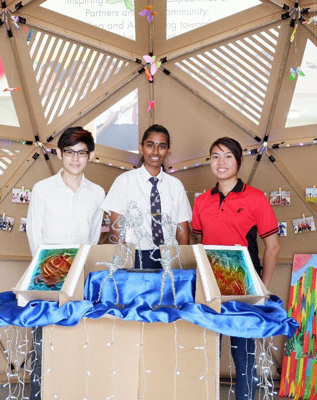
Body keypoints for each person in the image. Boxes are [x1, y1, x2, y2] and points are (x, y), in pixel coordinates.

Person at [191, 137, 280, 400]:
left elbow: (273, 246)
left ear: (238, 161)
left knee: (243, 359)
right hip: (209, 285)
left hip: (245, 286)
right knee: (209, 354)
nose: (221, 162)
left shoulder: (256, 198)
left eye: (228, 156)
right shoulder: (202, 201)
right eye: (216, 156)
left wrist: (261, 287)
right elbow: (199, 241)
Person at [25, 127, 105, 400]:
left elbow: (93, 237)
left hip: (80, 278)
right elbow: (34, 234)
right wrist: (47, 274)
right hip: (46, 276)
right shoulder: (43, 189)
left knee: (78, 343)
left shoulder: (97, 193)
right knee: (44, 344)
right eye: (69, 152)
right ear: (59, 153)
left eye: (81, 153)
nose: (75, 158)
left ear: (90, 156)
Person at [102, 124, 191, 268]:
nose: (155, 151)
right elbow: (116, 227)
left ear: (168, 150)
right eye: (150, 145)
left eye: (162, 146)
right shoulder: (124, 181)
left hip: (169, 256)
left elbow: (182, 232)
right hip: (135, 256)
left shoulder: (176, 186)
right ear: (141, 147)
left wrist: (182, 265)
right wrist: (124, 261)